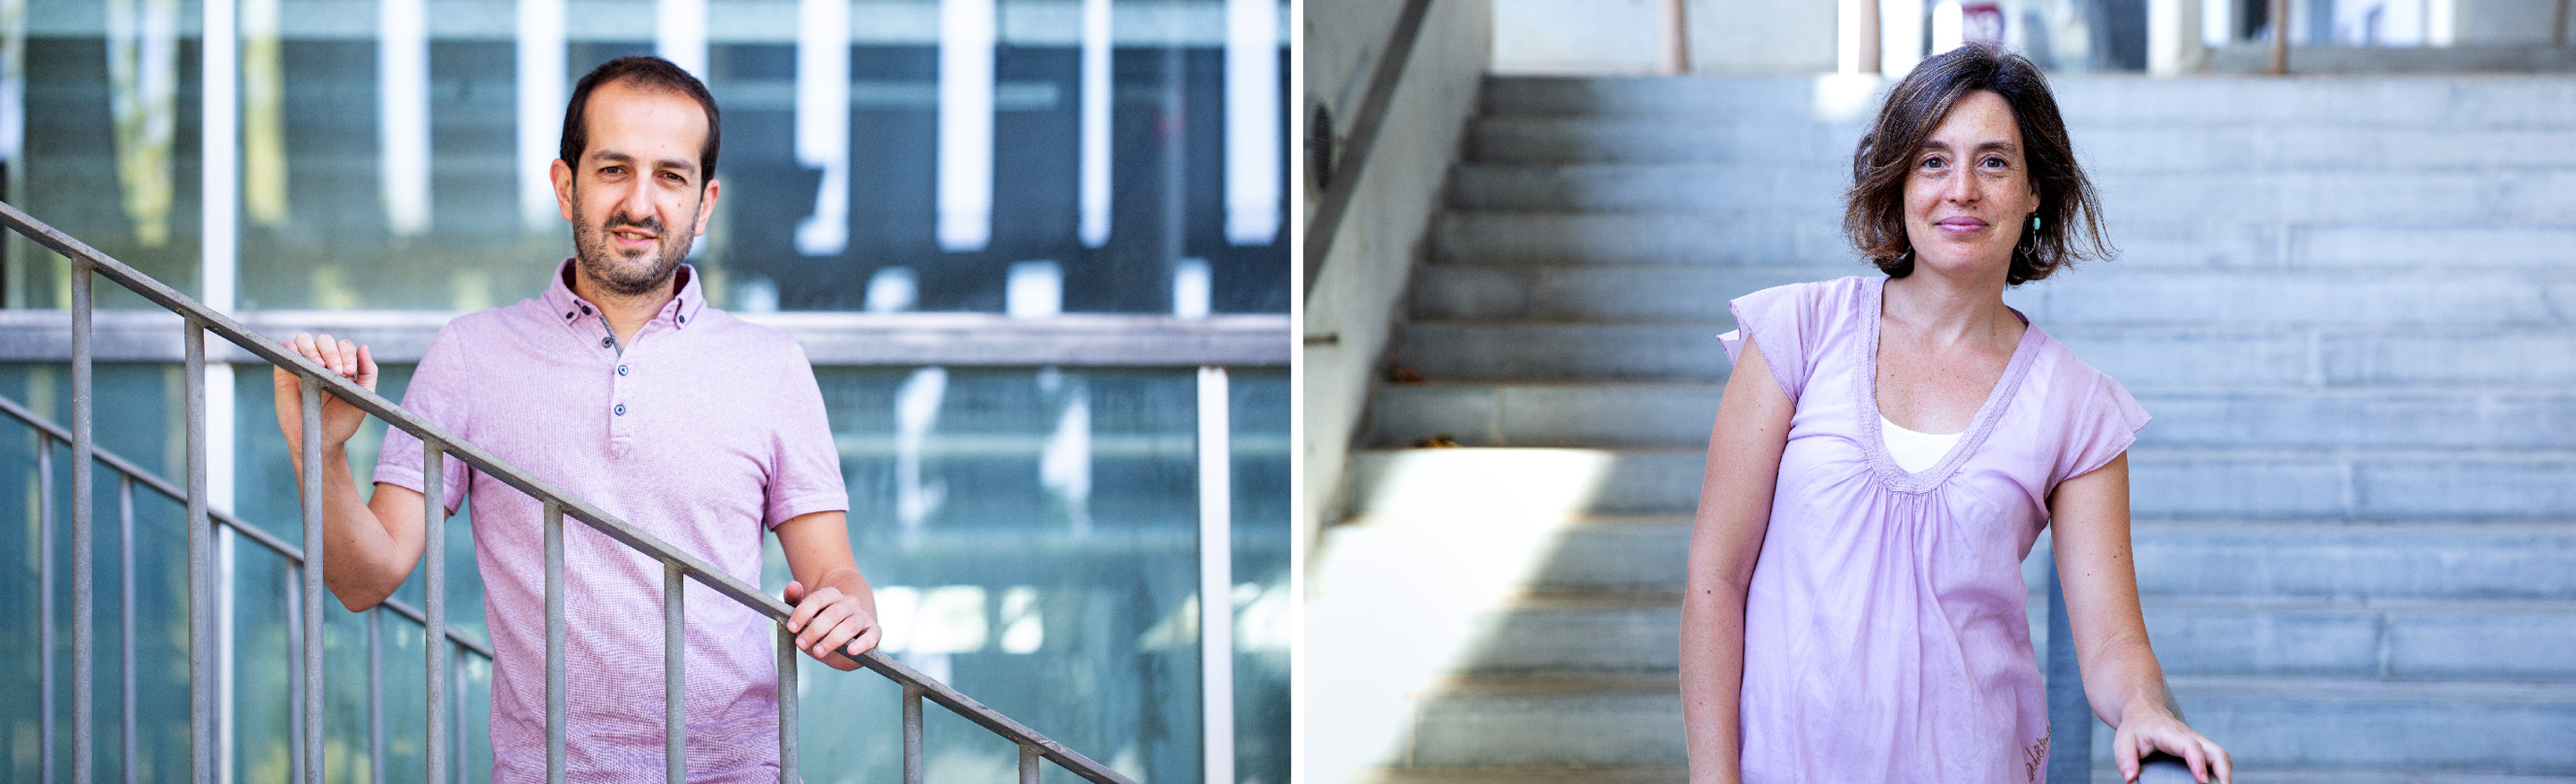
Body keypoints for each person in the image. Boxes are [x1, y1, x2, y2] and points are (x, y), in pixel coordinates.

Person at [271, 55, 879, 782]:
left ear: (705, 203)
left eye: (671, 176)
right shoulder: (470, 355)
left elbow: (836, 575)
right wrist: (322, 453)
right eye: (613, 169)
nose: (641, 203)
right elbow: (364, 580)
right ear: (567, 185)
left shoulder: (772, 367)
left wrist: (846, 616)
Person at [1677, 44, 2233, 784]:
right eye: (1933, 161)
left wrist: (2145, 708)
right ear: (1900, 181)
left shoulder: (2076, 406)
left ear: (2036, 189)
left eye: (1994, 162)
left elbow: (2110, 646)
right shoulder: (1796, 334)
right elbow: (1717, 580)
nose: (1961, 189)